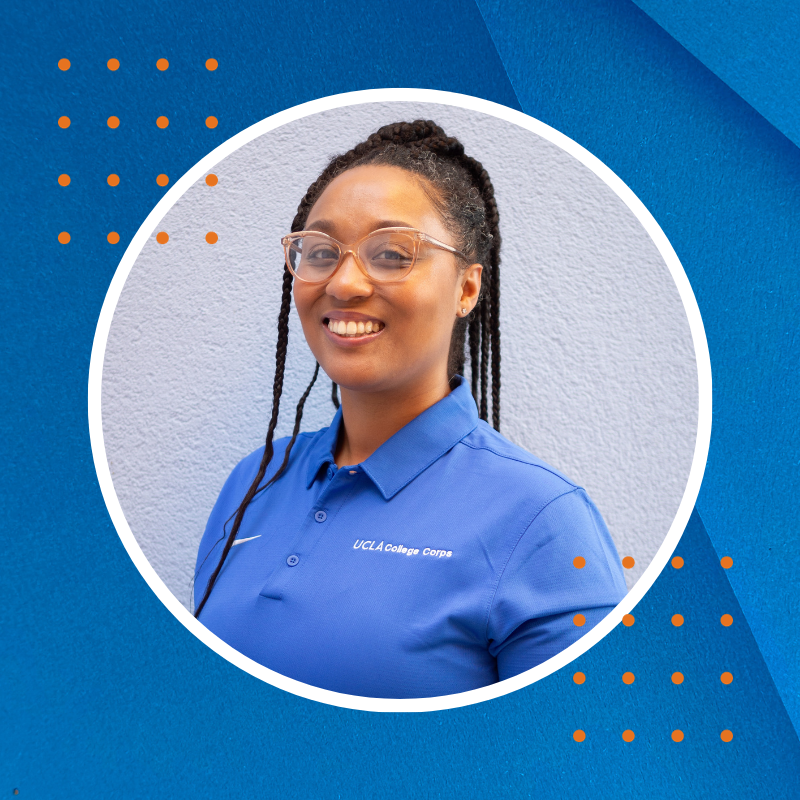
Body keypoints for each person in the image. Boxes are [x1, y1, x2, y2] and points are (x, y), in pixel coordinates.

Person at [193, 120, 627, 699]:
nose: (344, 283)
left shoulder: (542, 522)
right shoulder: (252, 480)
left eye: (393, 254)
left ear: (467, 289)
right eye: (321, 251)